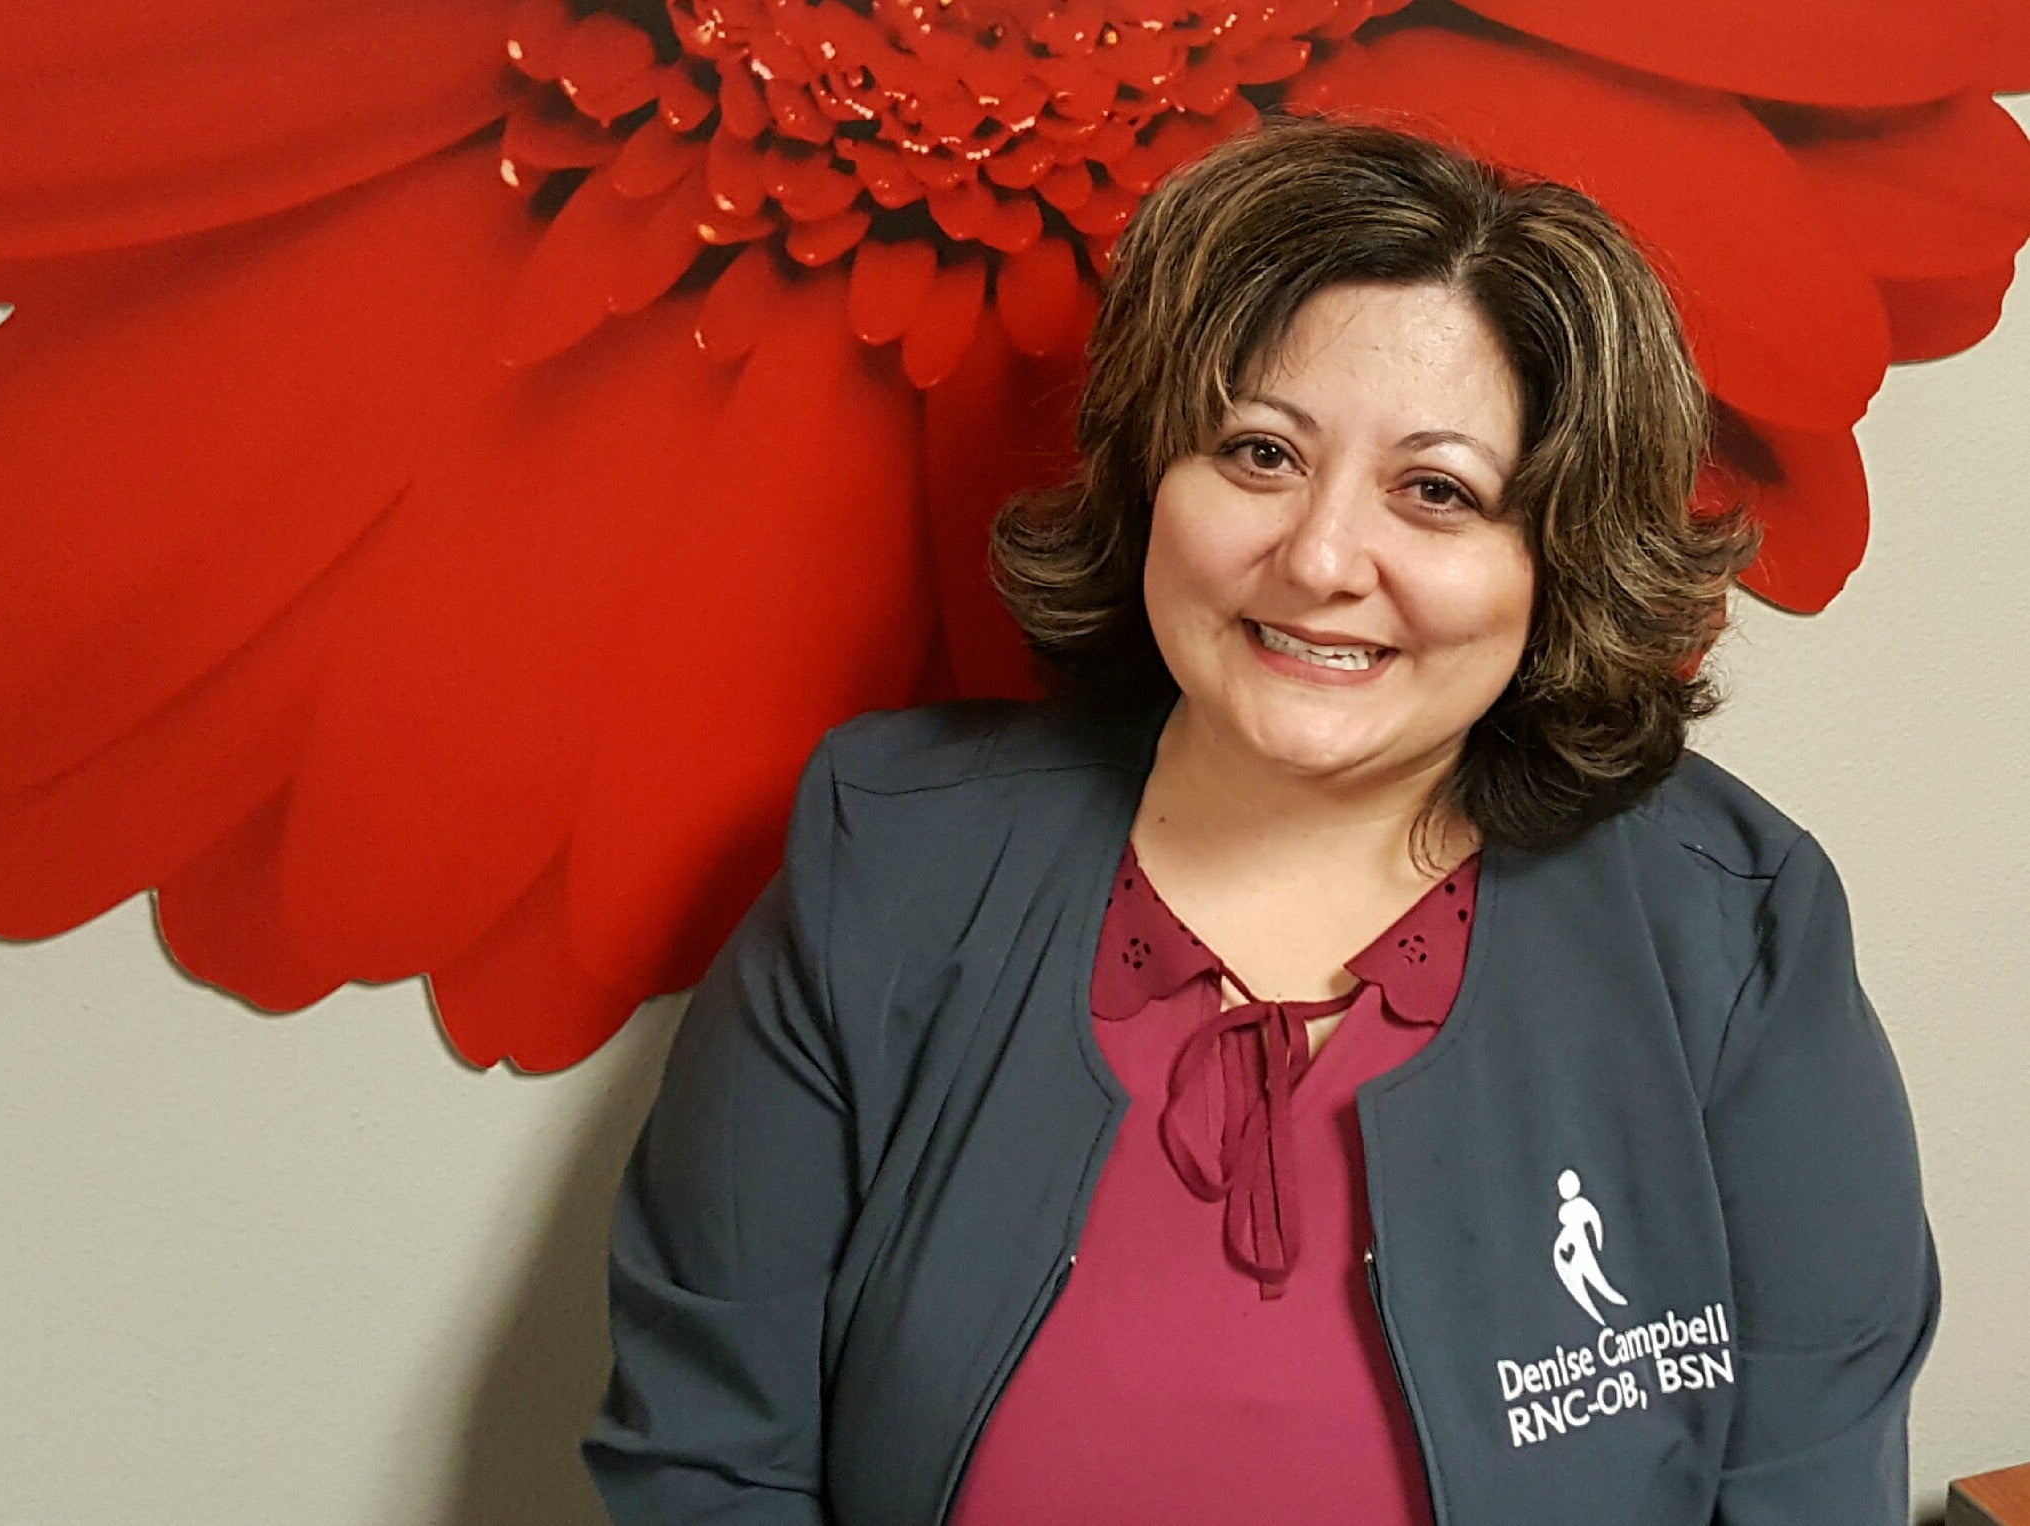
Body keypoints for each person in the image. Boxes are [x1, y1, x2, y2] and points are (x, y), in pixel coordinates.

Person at [580, 114, 1938, 1524]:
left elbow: (1811, 1491)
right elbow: (705, 1464)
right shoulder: (886, 865)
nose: (1321, 557)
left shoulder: (1733, 933)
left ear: (1558, 560)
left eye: (1437, 491)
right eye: (1258, 453)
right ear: (1150, 477)